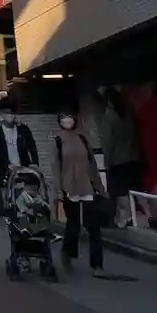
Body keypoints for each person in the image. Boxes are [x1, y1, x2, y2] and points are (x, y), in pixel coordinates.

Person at [54, 111, 104, 274]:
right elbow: (56, 168)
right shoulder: (58, 141)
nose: (67, 120)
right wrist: (58, 190)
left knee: (94, 227)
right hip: (69, 187)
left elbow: (92, 164)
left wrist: (100, 188)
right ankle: (68, 252)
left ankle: (97, 265)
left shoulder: (82, 138)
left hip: (86, 185)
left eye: (69, 117)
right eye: (63, 118)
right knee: (73, 224)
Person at [101, 88, 143, 228]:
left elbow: (108, 142)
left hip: (117, 161)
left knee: (121, 193)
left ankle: (124, 219)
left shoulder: (109, 117)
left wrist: (107, 163)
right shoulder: (128, 113)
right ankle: (146, 216)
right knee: (136, 190)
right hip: (133, 158)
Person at [0, 95, 39, 210]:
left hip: (23, 170)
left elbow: (32, 147)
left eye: (12, 112)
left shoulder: (23, 129)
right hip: (5, 172)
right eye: (7, 112)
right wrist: (5, 166)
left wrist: (34, 164)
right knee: (9, 204)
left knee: (25, 202)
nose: (10, 115)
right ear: (1, 114)